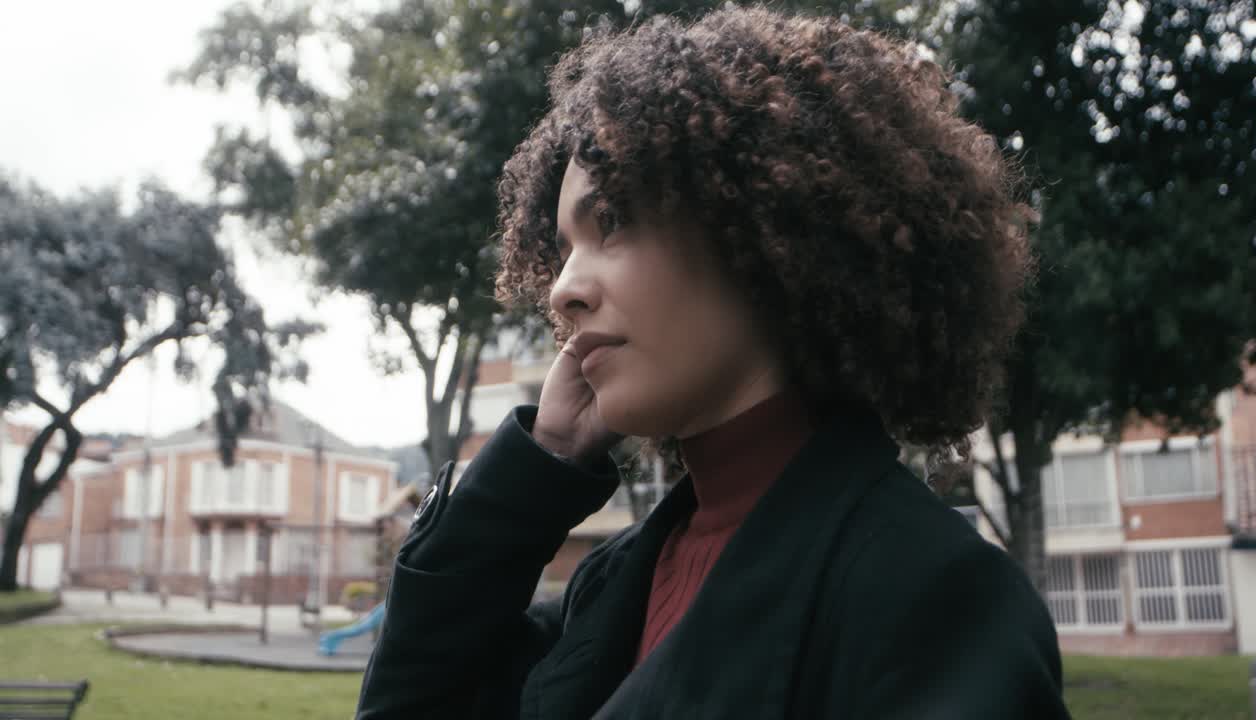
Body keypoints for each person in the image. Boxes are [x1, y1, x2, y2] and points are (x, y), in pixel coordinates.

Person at [357, 6, 1068, 719]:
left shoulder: (932, 593)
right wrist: (540, 467)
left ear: (763, 228)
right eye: (564, 246)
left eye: (612, 222)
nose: (564, 288)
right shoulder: (612, 585)